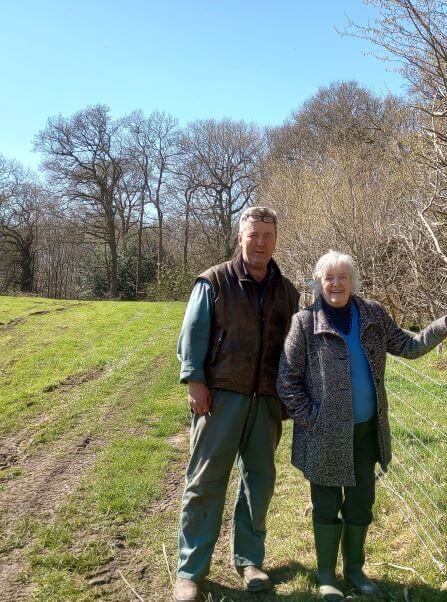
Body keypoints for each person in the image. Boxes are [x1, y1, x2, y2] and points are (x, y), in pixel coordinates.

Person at [277, 250, 447, 600]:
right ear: (319, 283)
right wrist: (311, 418)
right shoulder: (305, 323)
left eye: (342, 277)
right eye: (329, 278)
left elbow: (408, 346)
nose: (336, 284)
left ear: (352, 282)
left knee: (360, 503)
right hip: (323, 435)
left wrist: (443, 326)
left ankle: (354, 569)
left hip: (366, 431)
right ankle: (326, 576)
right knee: (326, 504)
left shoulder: (372, 314)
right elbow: (287, 379)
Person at [173, 206, 300, 602]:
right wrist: (195, 381)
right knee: (205, 482)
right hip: (219, 397)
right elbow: (192, 335)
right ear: (239, 237)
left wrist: (290, 394)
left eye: (267, 236)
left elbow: (295, 350)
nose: (260, 243)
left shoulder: (288, 291)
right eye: (253, 235)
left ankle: (250, 562)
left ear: (275, 240)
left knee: (258, 483)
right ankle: (190, 571)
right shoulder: (214, 281)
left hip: (266, 401)